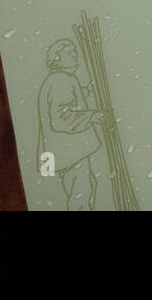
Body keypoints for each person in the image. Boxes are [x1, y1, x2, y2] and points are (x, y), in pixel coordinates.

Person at [36, 38, 105, 210]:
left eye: (74, 52)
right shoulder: (60, 80)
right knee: (81, 194)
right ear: (57, 58)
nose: (75, 55)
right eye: (69, 53)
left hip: (67, 151)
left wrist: (88, 90)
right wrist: (91, 116)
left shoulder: (60, 79)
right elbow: (61, 119)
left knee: (87, 187)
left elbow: (70, 98)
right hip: (68, 152)